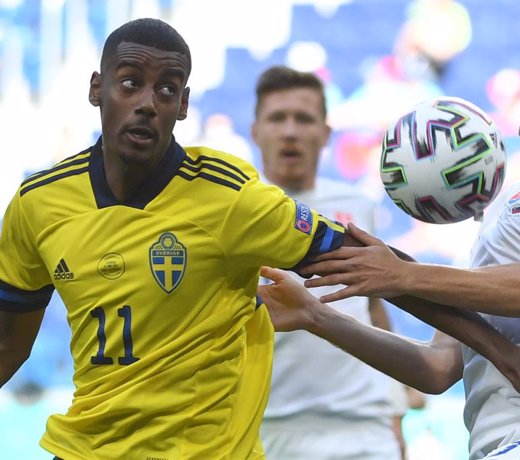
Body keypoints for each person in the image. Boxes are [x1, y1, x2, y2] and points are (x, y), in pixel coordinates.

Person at [261, 34, 520, 459]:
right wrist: (314, 315)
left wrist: (402, 273)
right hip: (505, 438)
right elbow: (436, 367)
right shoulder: (507, 207)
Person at [0, 18, 350, 459]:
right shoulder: (39, 204)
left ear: (183, 105)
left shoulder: (230, 198)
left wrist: (449, 311)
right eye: (130, 83)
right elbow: (8, 344)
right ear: (96, 89)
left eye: (167, 90)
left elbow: (363, 259)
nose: (147, 103)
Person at [251, 65, 405, 460]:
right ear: (256, 131)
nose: (290, 130)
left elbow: (373, 305)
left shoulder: (356, 209)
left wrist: (395, 410)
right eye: (277, 118)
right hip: (268, 430)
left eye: (303, 119)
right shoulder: (233, 215)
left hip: (364, 429)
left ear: (324, 134)